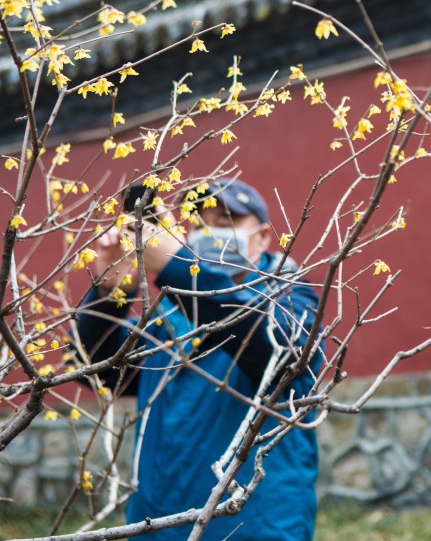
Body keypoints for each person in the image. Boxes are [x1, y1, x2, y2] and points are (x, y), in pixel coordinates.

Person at [77, 178, 321, 541]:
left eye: (225, 221)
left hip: (253, 525)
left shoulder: (290, 299)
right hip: (159, 525)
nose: (211, 233)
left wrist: (175, 265)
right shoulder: (168, 316)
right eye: (200, 223)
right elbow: (100, 372)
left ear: (263, 237)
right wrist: (111, 293)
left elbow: (269, 347)